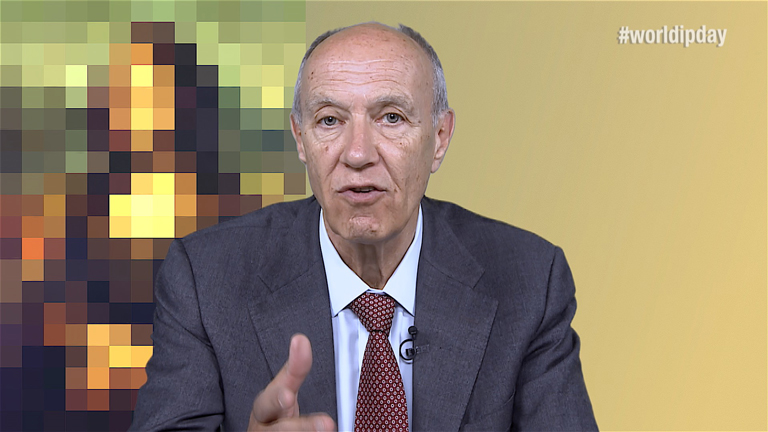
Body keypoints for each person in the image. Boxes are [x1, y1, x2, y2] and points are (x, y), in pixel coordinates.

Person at [130, 22, 598, 431]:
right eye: (329, 120)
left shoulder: (528, 281)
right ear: (300, 138)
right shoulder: (205, 279)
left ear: (439, 137)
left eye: (391, 117)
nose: (357, 153)